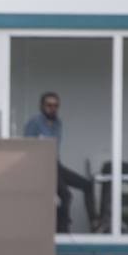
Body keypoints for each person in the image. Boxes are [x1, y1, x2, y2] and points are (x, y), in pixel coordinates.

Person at [24, 91, 97, 233]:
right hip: (42, 166)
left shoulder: (58, 123)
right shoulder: (34, 122)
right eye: (49, 105)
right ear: (41, 106)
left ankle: (94, 222)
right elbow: (27, 147)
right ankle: (62, 231)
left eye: (56, 105)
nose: (52, 108)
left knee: (87, 185)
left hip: (56, 164)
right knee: (65, 194)